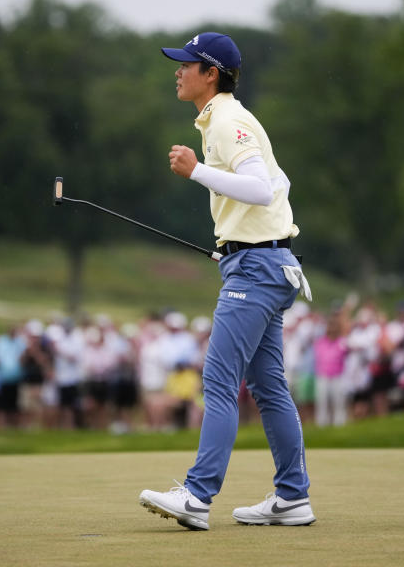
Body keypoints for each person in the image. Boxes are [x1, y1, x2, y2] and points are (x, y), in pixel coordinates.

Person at [139, 32, 314, 530]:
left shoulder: (227, 120)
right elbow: (279, 186)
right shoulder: (225, 119)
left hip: (256, 269)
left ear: (210, 73)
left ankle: (197, 497)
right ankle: (292, 498)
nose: (178, 71)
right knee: (268, 386)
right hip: (264, 263)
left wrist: (196, 173)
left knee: (218, 379)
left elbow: (260, 189)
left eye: (186, 64)